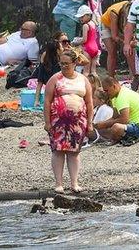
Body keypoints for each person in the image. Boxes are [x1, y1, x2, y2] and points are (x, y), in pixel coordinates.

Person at [43, 49, 93, 193]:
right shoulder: (55, 79)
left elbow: (89, 102)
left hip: (78, 122)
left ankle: (74, 183)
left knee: (74, 152)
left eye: (67, 63)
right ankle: (59, 183)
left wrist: (90, 123)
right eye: (61, 63)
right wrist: (47, 122)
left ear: (75, 63)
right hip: (57, 121)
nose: (64, 66)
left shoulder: (83, 79)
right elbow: (47, 101)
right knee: (58, 150)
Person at [100, 0, 139, 77]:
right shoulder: (115, 13)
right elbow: (114, 36)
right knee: (112, 50)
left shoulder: (133, 8)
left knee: (130, 49)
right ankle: (111, 77)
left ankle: (134, 75)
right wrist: (126, 42)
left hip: (121, 25)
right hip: (106, 26)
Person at [36, 32, 89, 105]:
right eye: (64, 42)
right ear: (57, 43)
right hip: (53, 88)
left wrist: (74, 50)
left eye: (68, 41)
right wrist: (36, 100)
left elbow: (85, 61)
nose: (67, 44)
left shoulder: (69, 56)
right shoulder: (47, 55)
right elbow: (40, 81)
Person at [95, 76, 139, 142]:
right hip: (133, 126)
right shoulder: (115, 97)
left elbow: (124, 120)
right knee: (105, 128)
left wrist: (104, 124)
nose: (105, 93)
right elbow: (115, 117)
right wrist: (101, 124)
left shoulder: (122, 97)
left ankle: (112, 139)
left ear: (114, 86)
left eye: (106, 90)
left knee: (116, 128)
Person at [72, 5, 99, 76]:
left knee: (86, 71)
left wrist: (76, 43)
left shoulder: (85, 26)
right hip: (95, 48)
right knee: (93, 71)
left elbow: (84, 39)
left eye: (82, 17)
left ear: (88, 15)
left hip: (88, 48)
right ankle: (97, 85)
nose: (81, 19)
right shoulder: (93, 24)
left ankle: (85, 86)